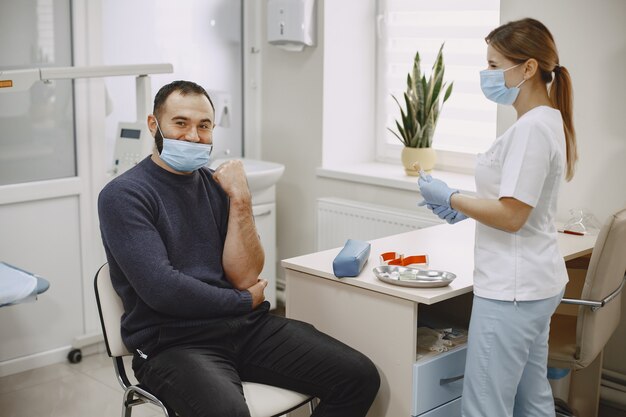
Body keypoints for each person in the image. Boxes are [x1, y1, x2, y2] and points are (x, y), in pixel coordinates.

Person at [98, 80, 380, 417]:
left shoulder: (214, 186)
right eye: (180, 123)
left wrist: (240, 198)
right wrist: (243, 300)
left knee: (358, 377)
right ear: (153, 125)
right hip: (172, 344)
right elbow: (163, 290)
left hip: (245, 328)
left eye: (203, 126)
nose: (192, 136)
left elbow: (246, 273)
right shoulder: (124, 195)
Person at [417, 18, 577, 417]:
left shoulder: (532, 130)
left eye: (494, 65)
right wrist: (465, 205)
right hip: (534, 284)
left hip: (512, 290)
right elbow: (512, 202)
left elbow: (511, 216)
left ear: (527, 68)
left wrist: (453, 198)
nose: (487, 75)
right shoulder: (544, 121)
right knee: (531, 397)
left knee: (485, 406)